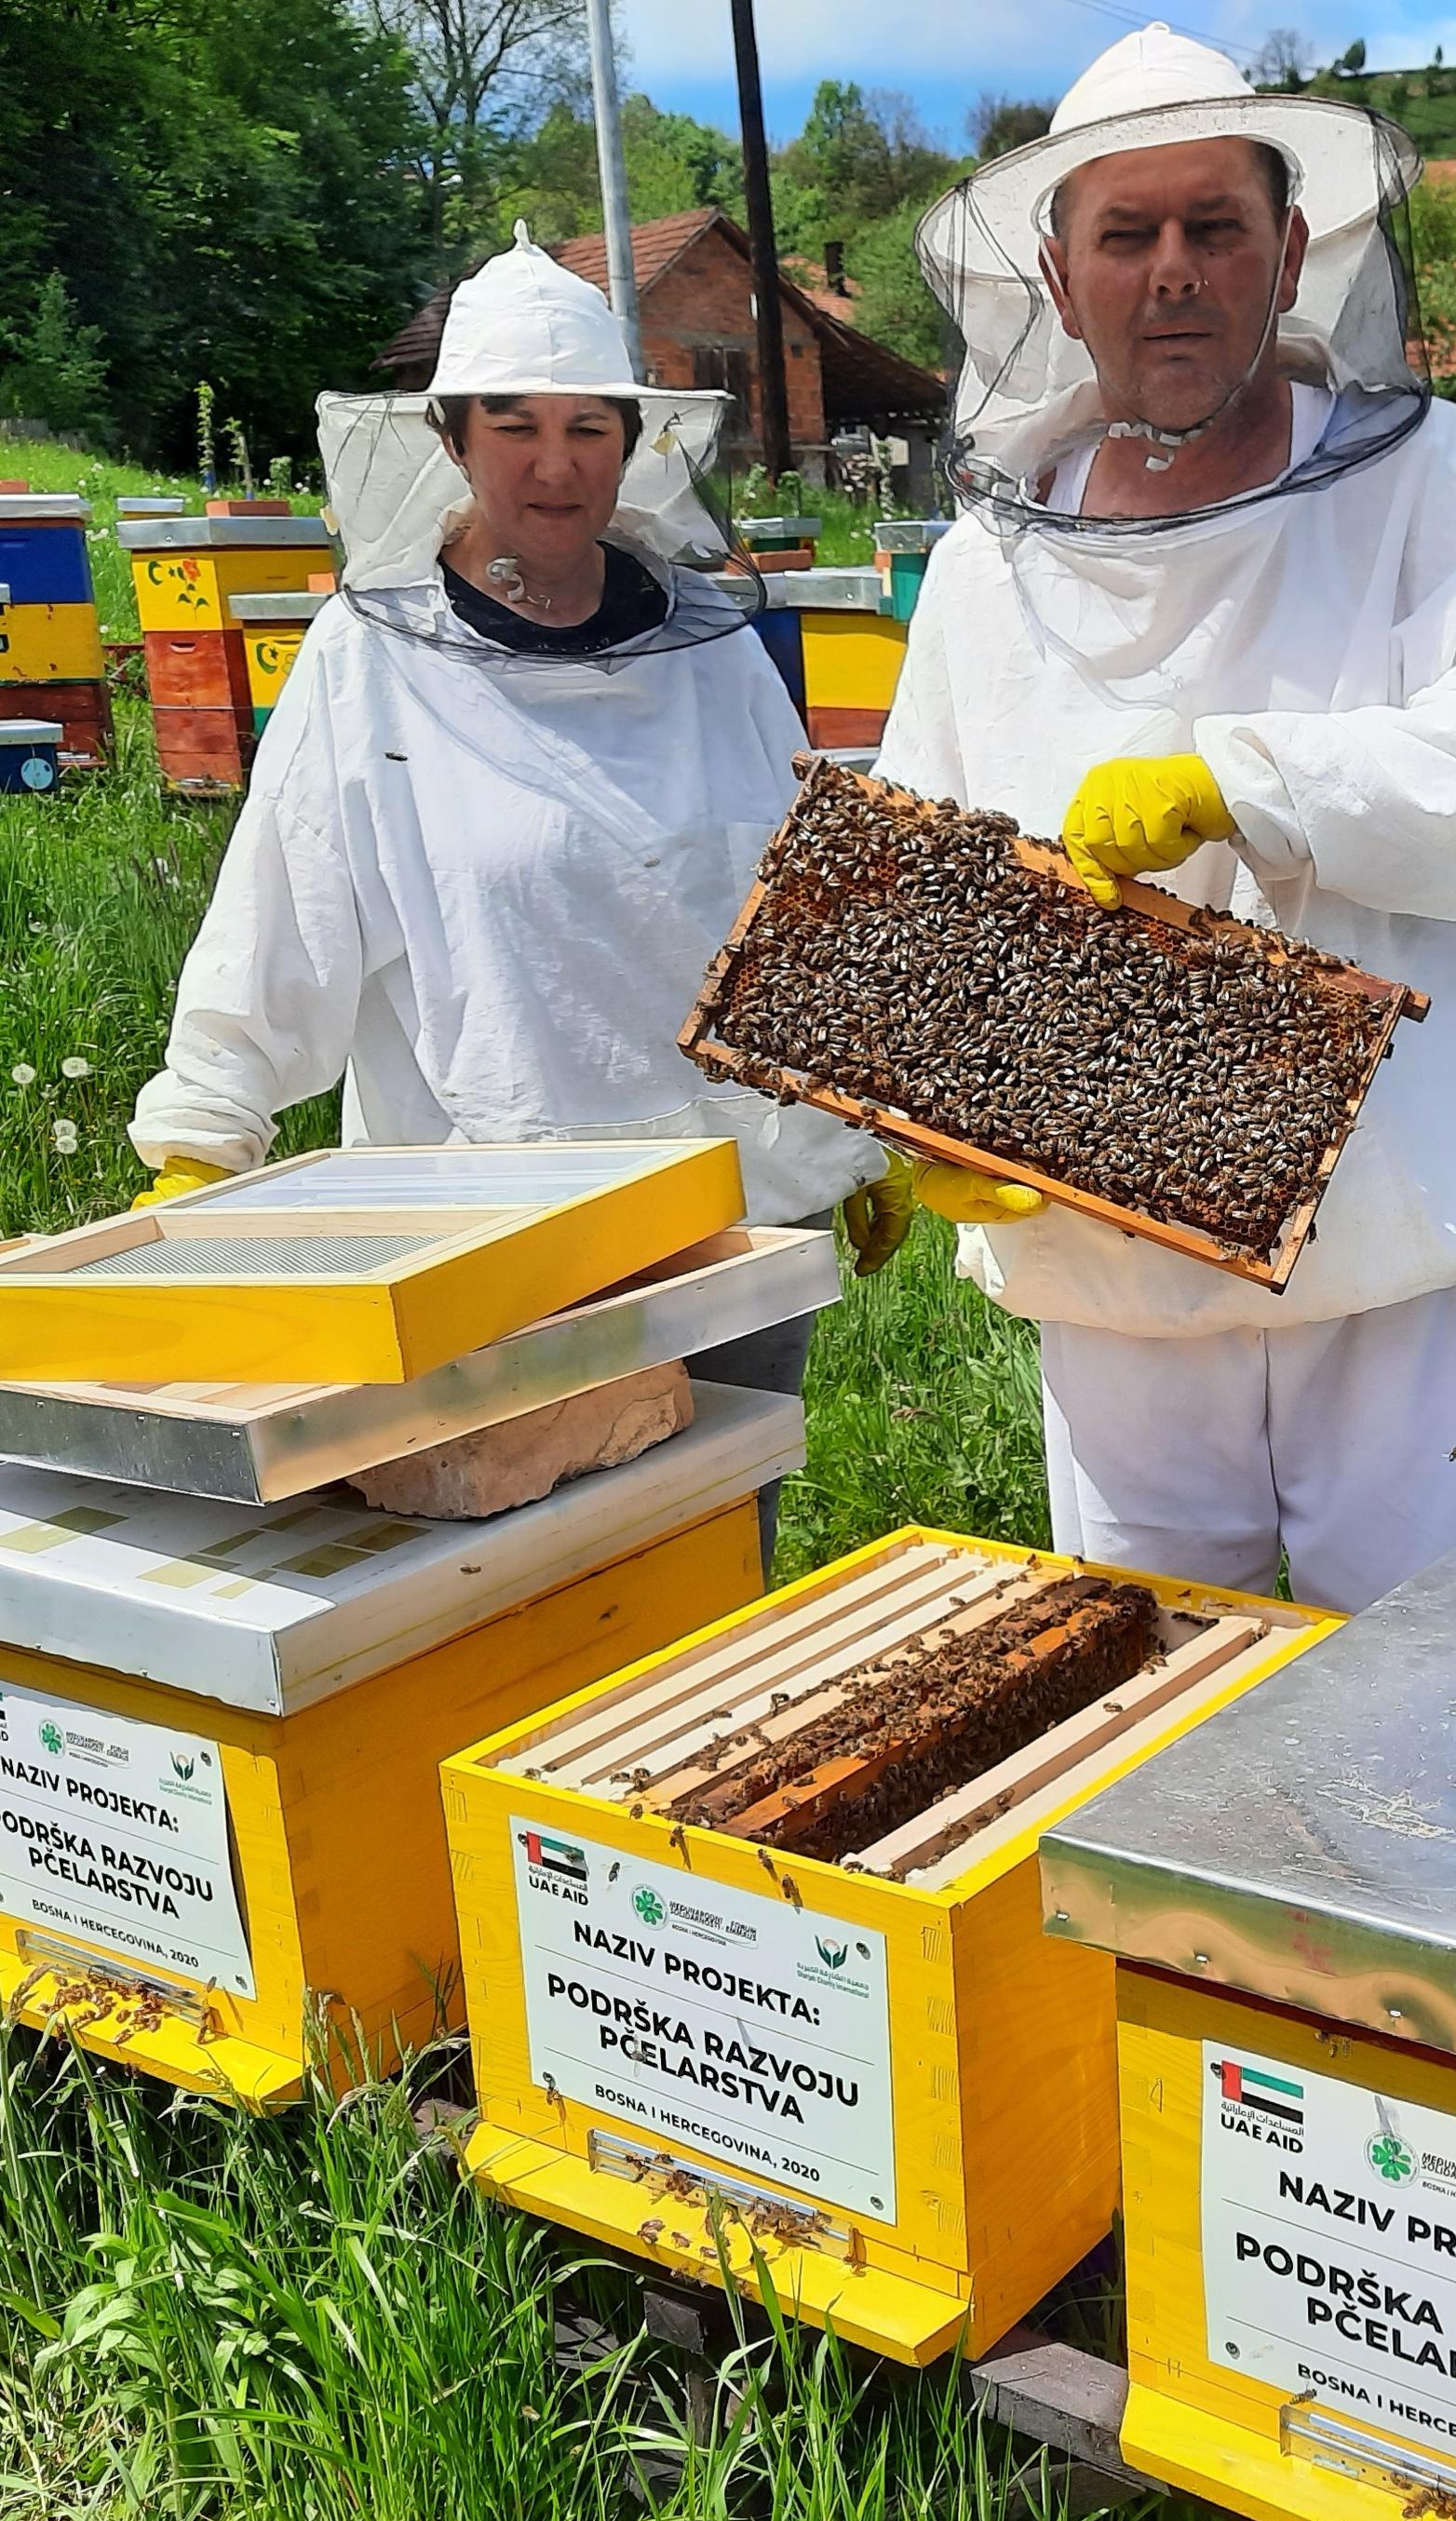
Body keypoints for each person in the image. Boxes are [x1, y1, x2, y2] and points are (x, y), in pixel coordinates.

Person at [874, 25, 1456, 1613]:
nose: (1174, 273)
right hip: (1111, 1264)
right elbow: (924, 883)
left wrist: (1247, 785)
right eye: (1125, 236)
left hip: (1391, 1239)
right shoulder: (985, 575)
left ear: (1290, 253)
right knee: (1145, 1704)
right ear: (1059, 282)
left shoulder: (1437, 492)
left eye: (1216, 227)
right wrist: (918, 1107)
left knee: (1431, 1704)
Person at [127, 229, 891, 1560]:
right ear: (452, 434)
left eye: (589, 427)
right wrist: (204, 1131)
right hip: (489, 1240)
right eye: (516, 425)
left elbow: (806, 903)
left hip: (730, 1221)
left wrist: (868, 1123)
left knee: (714, 1575)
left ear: (634, 438)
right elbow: (282, 903)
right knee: (513, 1592)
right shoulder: (367, 663)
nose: (555, 464)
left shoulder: (715, 655)